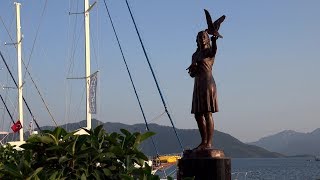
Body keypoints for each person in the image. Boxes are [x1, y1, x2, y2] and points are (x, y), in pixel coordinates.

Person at [189, 30, 219, 150]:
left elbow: (214, 50)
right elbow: (192, 74)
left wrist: (214, 41)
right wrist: (193, 68)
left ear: (207, 39)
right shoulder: (195, 55)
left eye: (204, 37)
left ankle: (209, 143)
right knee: (197, 114)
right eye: (199, 37)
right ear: (197, 40)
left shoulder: (209, 52)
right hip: (198, 84)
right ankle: (203, 141)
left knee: (207, 112)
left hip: (207, 83)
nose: (202, 39)